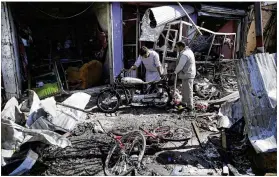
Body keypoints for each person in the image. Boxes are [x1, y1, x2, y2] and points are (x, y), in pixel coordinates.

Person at [174, 41, 196, 111]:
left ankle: (190, 107)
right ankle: (184, 103)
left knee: (188, 91)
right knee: (184, 90)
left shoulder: (185, 54)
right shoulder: (188, 51)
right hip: (187, 74)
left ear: (181, 47)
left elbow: (180, 65)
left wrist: (175, 72)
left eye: (177, 47)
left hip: (188, 74)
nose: (176, 49)